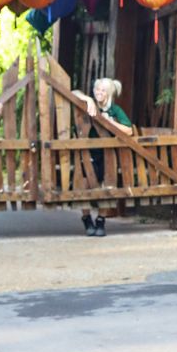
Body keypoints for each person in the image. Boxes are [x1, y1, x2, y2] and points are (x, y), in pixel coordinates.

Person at [73, 76, 132, 237]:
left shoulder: (115, 110)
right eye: (96, 89)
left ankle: (100, 220)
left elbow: (129, 130)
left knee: (107, 185)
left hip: (107, 152)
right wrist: (88, 99)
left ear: (109, 93)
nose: (98, 92)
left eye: (102, 90)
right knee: (84, 185)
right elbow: (73, 92)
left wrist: (110, 122)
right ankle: (86, 219)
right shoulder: (89, 104)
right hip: (87, 151)